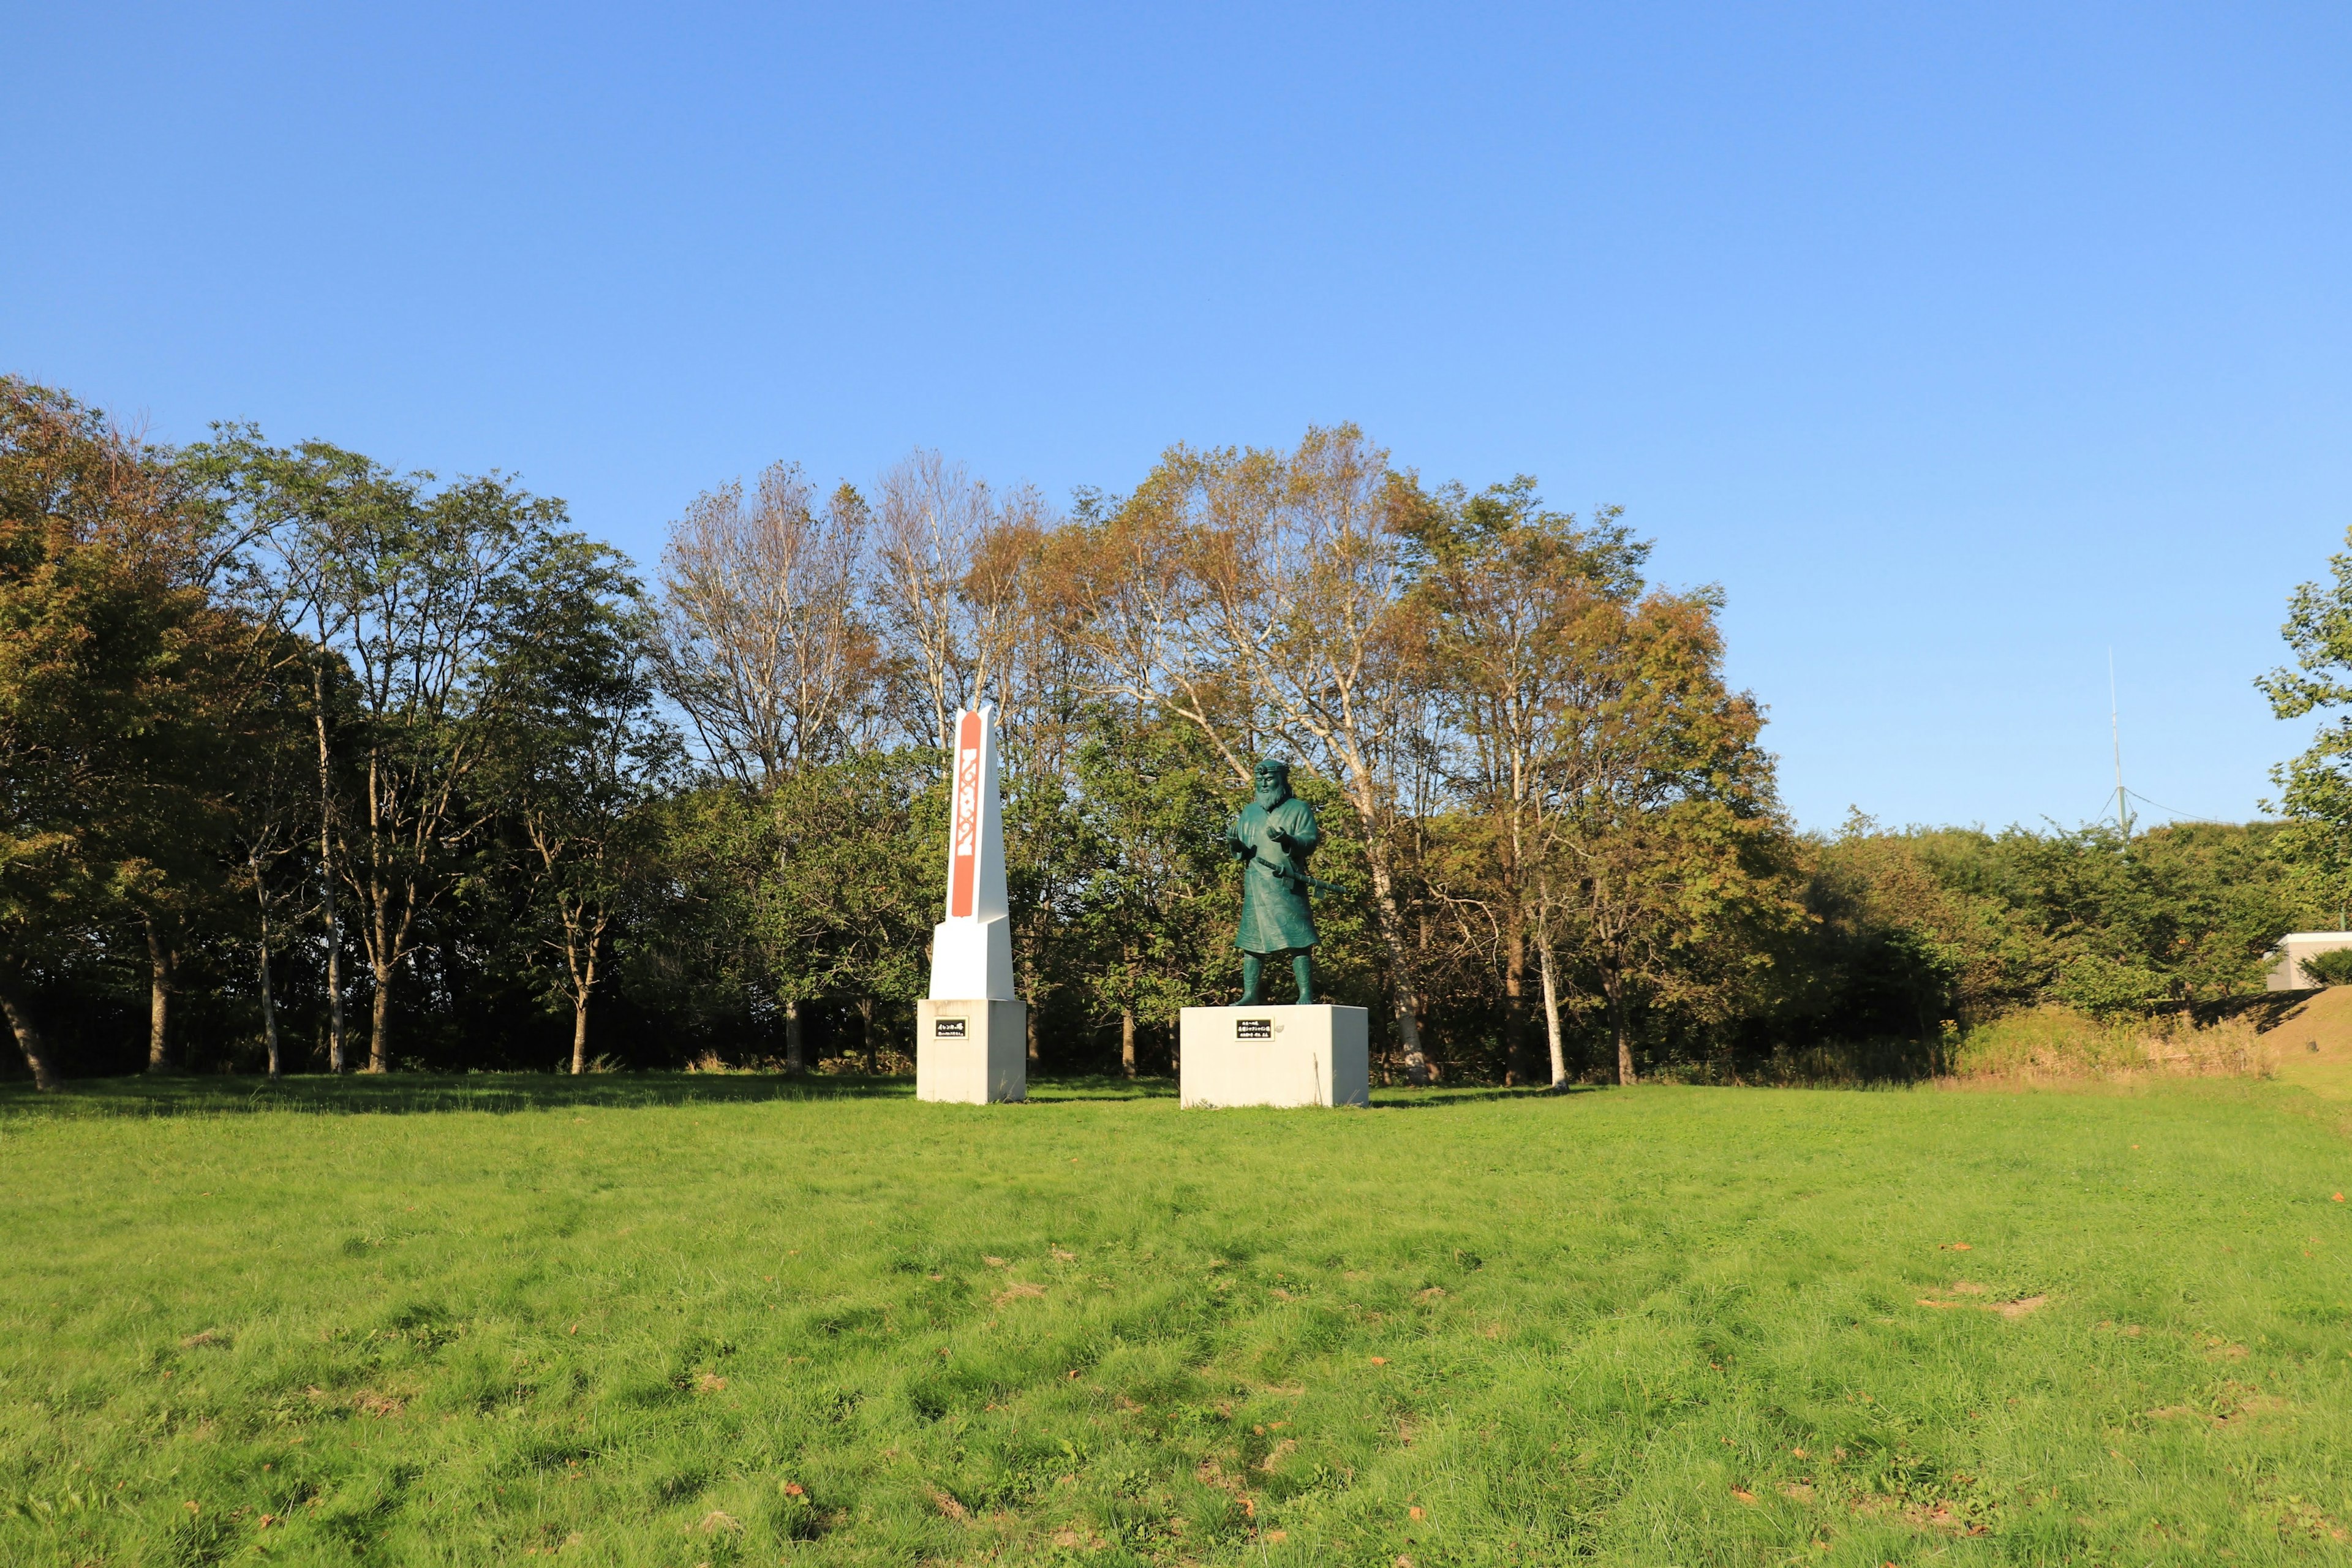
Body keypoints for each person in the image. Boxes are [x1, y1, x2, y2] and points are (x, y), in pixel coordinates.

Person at [1223, 758, 1321, 1004]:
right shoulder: (1250, 812)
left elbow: (1309, 842)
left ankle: (1306, 994)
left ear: (1281, 780)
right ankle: (1250, 995)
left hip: (1287, 881)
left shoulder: (1299, 809)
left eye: (1269, 779)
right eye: (1260, 780)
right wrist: (1235, 844)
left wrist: (1288, 839)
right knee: (1252, 941)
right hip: (1256, 882)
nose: (1264, 784)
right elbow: (1245, 851)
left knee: (1300, 939)